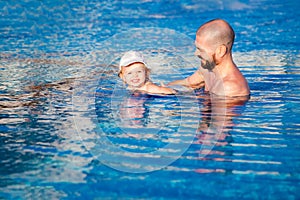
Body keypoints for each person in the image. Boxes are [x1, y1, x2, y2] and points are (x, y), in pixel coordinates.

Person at [168, 19, 250, 97]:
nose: (196, 53)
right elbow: (188, 83)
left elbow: (216, 110)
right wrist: (162, 88)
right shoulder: (208, 70)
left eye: (201, 50)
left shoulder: (230, 88)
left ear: (220, 51)